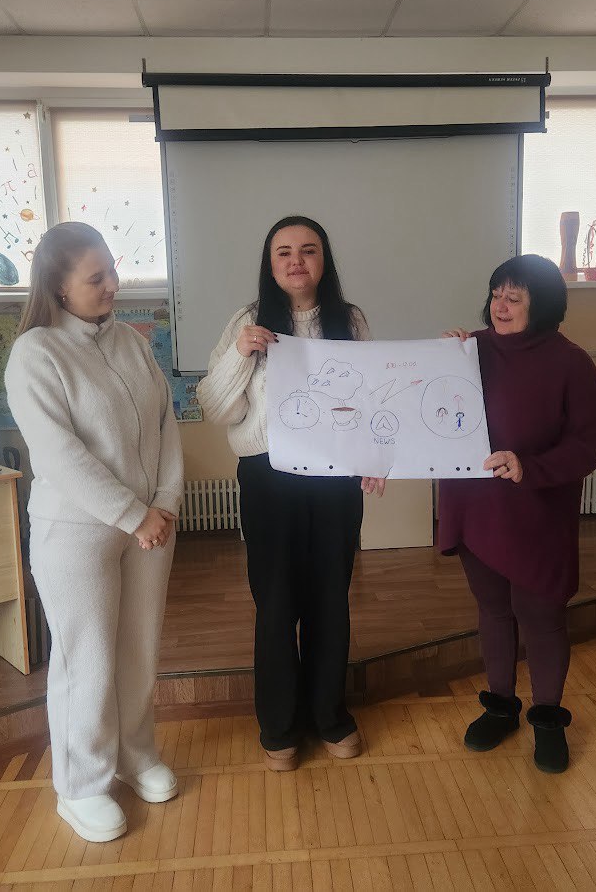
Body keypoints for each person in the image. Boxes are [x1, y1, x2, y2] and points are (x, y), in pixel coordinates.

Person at [5, 222, 184, 843]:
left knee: (139, 648)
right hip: (77, 532)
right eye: (96, 277)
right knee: (87, 659)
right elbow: (58, 455)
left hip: (149, 528)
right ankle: (81, 785)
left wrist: (164, 503)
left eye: (112, 270)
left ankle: (136, 754)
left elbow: (165, 424)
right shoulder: (36, 353)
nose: (113, 284)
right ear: (59, 287)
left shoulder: (131, 341)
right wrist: (134, 514)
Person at [196, 215, 383, 772]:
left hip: (334, 481)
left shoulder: (350, 320)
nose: (296, 261)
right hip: (268, 479)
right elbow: (216, 408)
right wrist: (240, 353)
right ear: (270, 263)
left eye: (308, 250)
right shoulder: (248, 320)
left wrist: (375, 458)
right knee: (276, 603)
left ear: (324, 260)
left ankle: (329, 715)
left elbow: (370, 399)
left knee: (330, 598)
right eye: (284, 252)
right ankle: (278, 725)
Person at [438, 254, 596, 773]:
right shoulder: (468, 351)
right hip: (475, 506)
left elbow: (586, 446)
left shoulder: (571, 363)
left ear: (543, 305)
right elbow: (431, 415)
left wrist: (529, 466)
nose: (501, 306)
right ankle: (501, 707)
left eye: (515, 297)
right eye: (496, 294)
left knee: (542, 616)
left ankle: (548, 719)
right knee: (492, 609)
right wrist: (439, 362)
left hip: (537, 511)